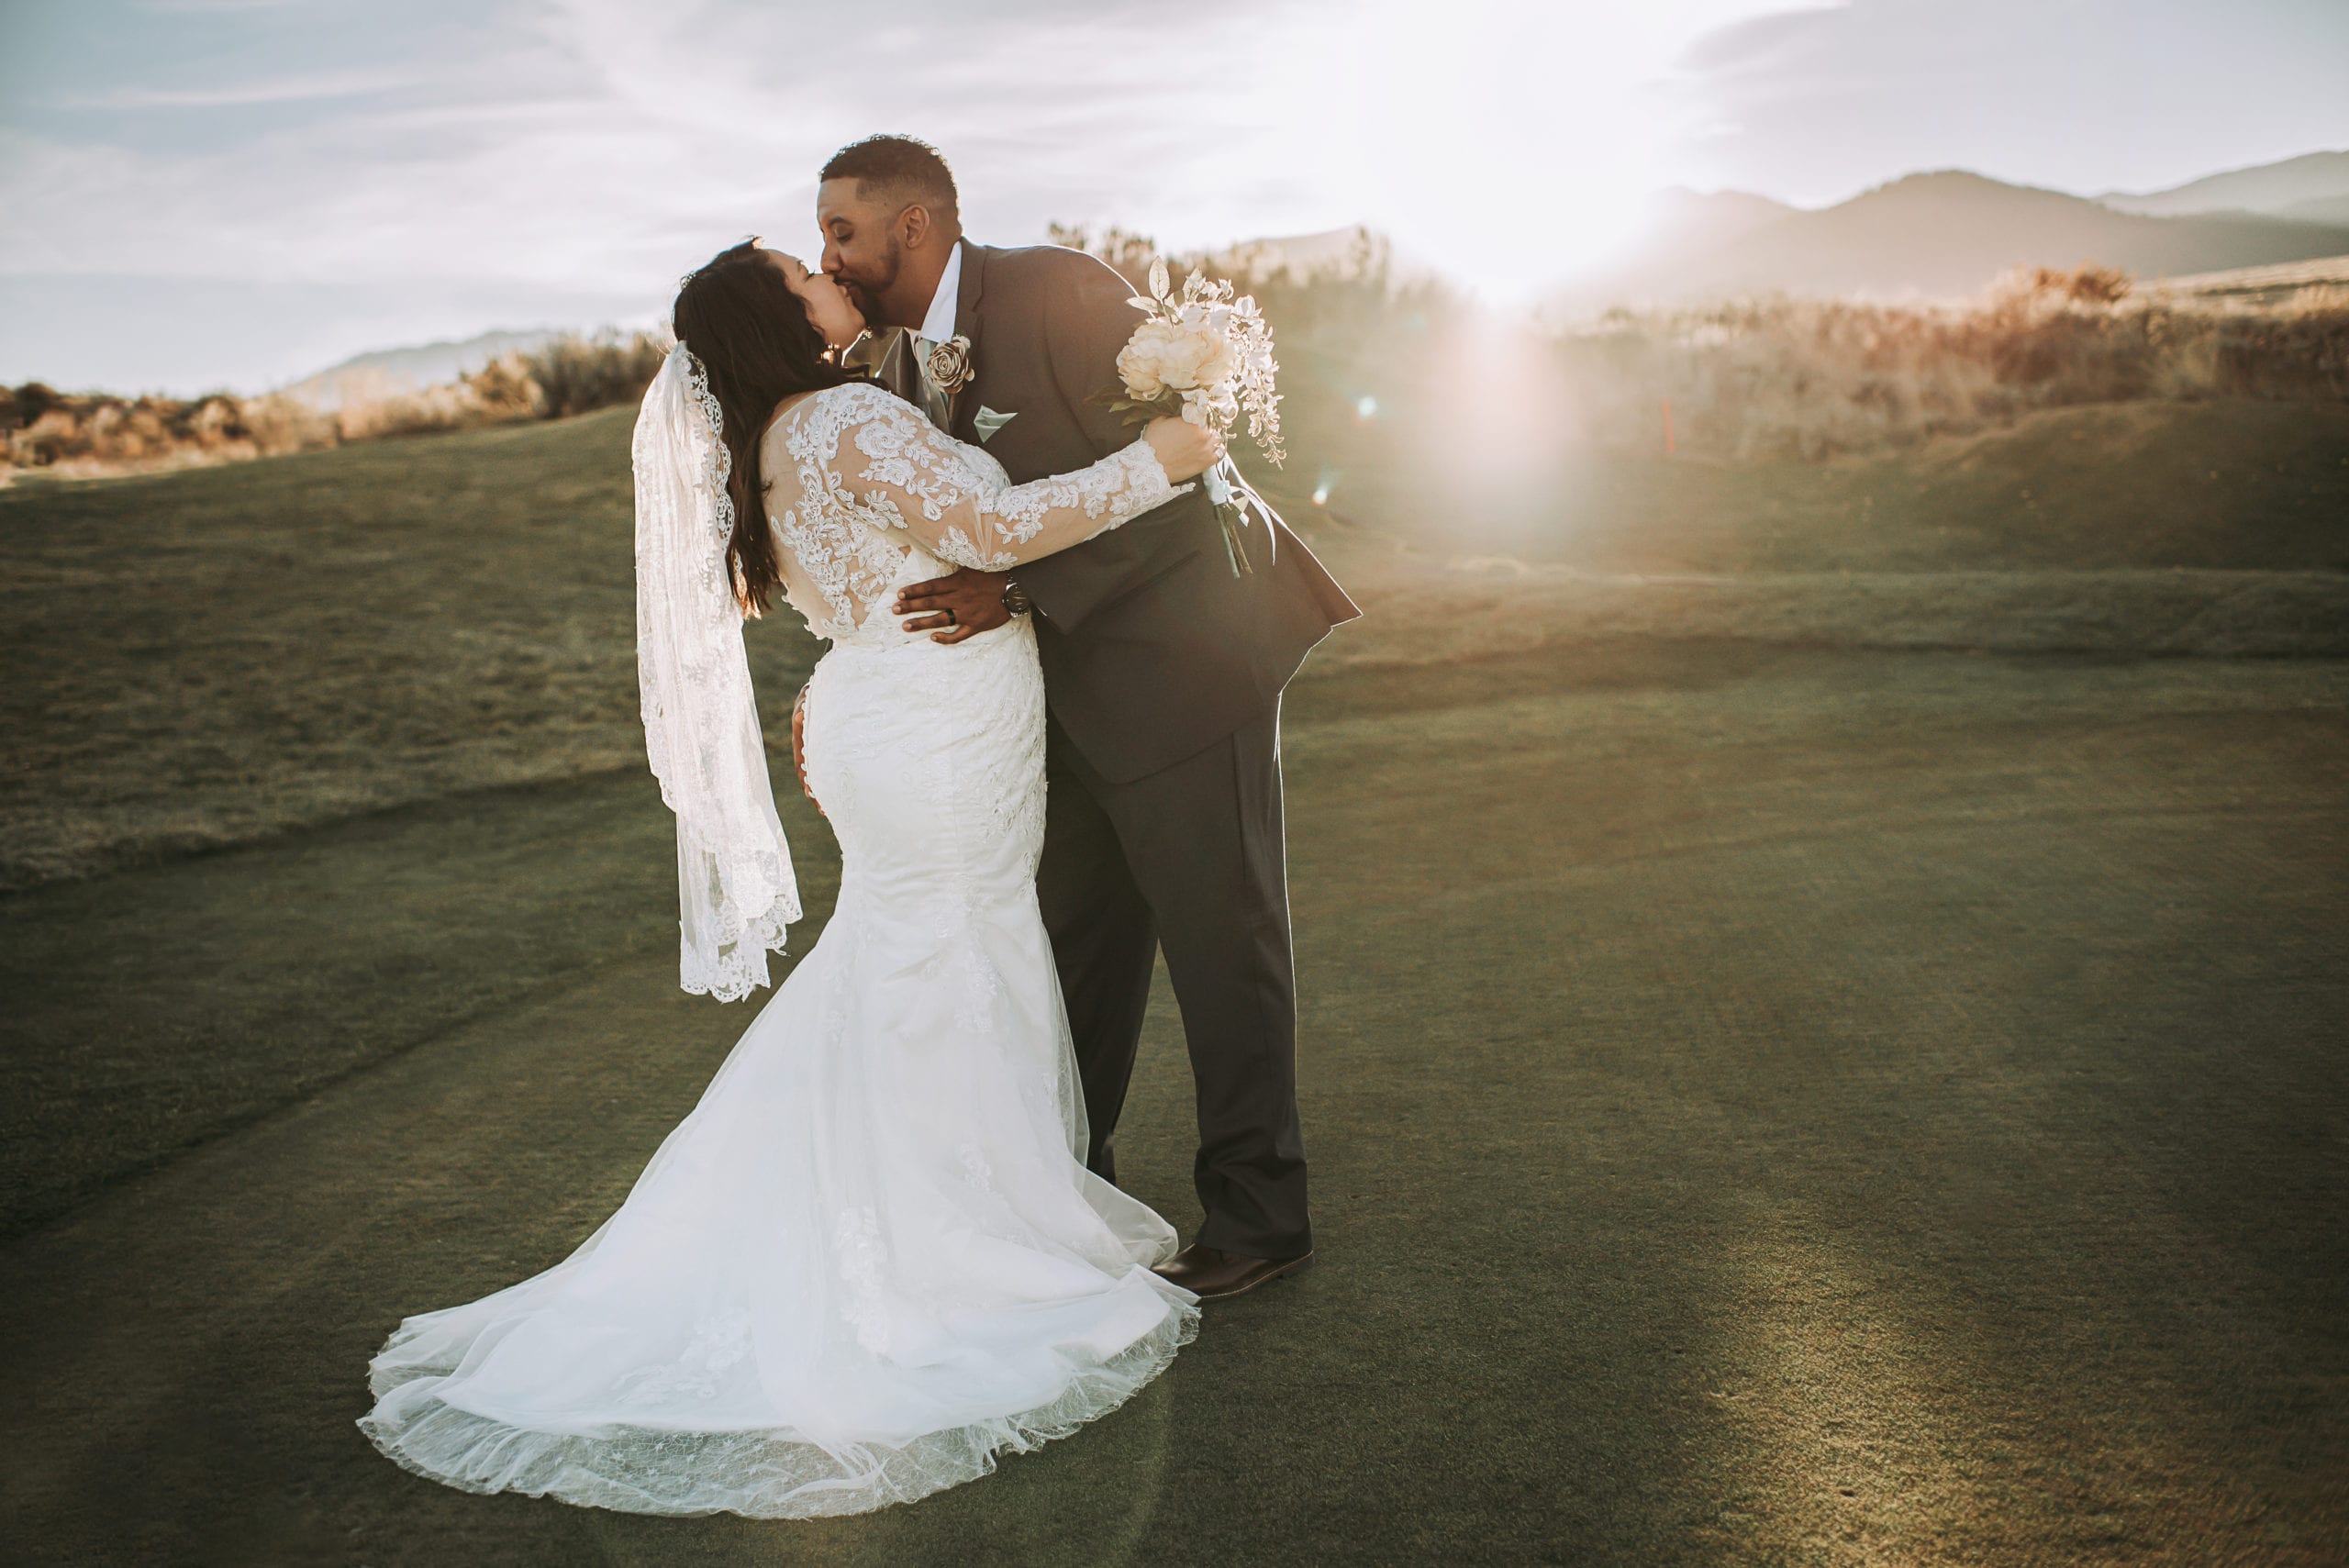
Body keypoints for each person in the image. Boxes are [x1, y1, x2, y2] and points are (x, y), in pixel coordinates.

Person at [358, 239, 1226, 1519]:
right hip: (933, 721)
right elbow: (990, 527)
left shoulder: (767, 445)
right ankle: (956, 1246)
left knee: (917, 947)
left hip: (889, 708)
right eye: (800, 269)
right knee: (948, 949)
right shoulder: (845, 420)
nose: (829, 275)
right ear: (779, 313)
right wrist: (1166, 458)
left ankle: (967, 1206)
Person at [810, 136, 1360, 1300]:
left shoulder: (1058, 289)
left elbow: (1186, 476)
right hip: (1054, 704)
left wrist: (1015, 588)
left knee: (1223, 939)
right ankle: (1066, 1196)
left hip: (1184, 664)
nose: (831, 256)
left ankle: (1261, 1217)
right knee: (1073, 959)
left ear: (914, 226)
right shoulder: (895, 369)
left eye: (842, 232)